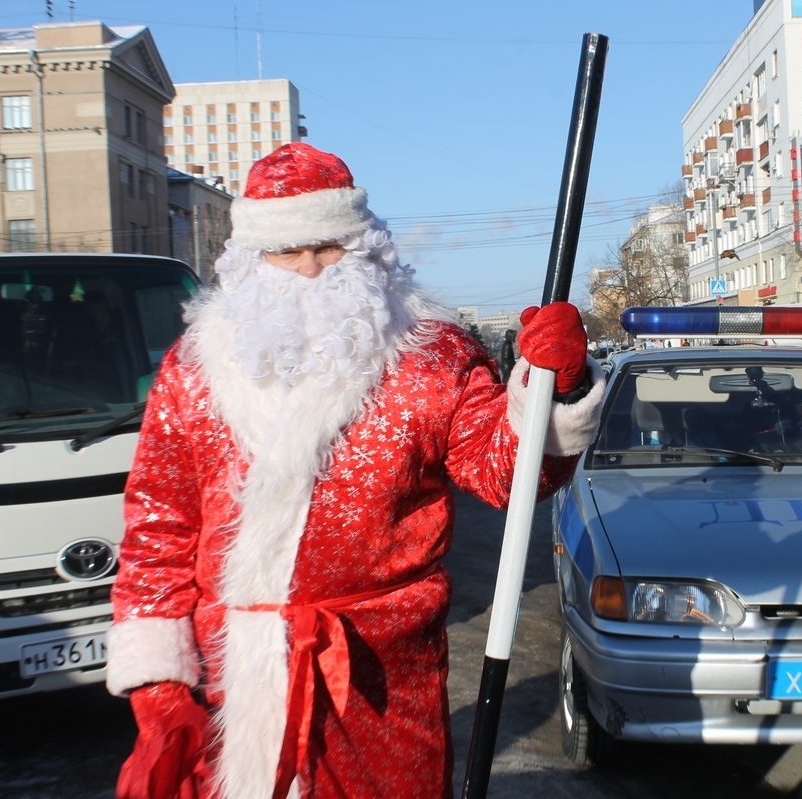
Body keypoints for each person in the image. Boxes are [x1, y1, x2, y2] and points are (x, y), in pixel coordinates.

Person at [105, 142, 605, 799]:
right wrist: (159, 684)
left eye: (329, 246)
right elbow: (158, 528)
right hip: (230, 680)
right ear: (250, 259)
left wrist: (555, 390)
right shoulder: (193, 369)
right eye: (288, 250)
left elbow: (504, 469)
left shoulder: (432, 355)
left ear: (366, 247)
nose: (310, 268)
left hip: (382, 684)